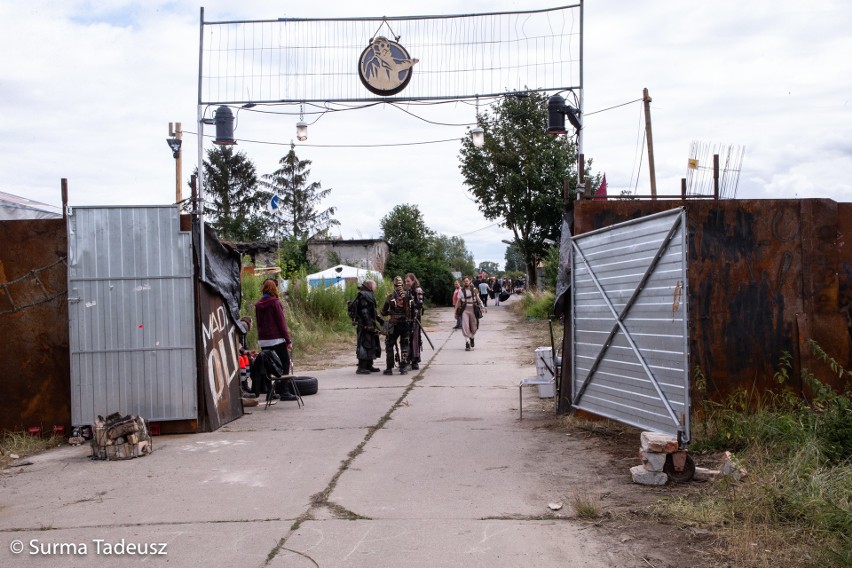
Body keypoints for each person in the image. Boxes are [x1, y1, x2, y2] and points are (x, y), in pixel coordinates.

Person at [254, 278, 297, 401]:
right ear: (274, 289)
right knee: (285, 362)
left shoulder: (258, 305)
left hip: (263, 339)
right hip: (276, 338)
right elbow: (281, 323)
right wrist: (288, 340)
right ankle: (284, 390)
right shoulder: (275, 303)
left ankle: (270, 392)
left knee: (268, 364)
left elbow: (259, 323)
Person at [381, 276, 412, 375]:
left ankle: (389, 368)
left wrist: (390, 312)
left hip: (393, 324)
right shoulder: (408, 296)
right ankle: (403, 368)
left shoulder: (390, 297)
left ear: (394, 285)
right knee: (404, 345)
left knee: (389, 345)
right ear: (402, 285)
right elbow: (414, 309)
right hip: (405, 324)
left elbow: (383, 312)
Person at [354, 279, 383, 374]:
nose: (375, 288)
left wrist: (379, 320)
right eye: (374, 286)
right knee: (364, 344)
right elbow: (364, 311)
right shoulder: (364, 295)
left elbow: (372, 311)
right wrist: (369, 324)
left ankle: (369, 365)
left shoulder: (367, 295)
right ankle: (361, 367)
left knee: (371, 344)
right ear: (370, 286)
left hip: (369, 323)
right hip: (364, 325)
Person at [457, 276, 485, 351]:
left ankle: (472, 337)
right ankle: (467, 342)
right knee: (465, 326)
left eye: (467, 281)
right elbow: (458, 302)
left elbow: (478, 299)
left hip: (473, 309)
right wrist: (455, 312)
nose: (466, 282)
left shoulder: (474, 290)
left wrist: (482, 307)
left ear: (470, 281)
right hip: (465, 310)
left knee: (474, 326)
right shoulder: (461, 291)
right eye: (464, 281)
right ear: (463, 282)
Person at [405, 273, 425, 370]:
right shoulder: (408, 290)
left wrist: (414, 309)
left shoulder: (418, 290)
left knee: (415, 339)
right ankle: (407, 359)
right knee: (408, 339)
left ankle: (415, 360)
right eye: (406, 281)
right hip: (408, 318)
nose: (406, 283)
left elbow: (420, 304)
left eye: (408, 281)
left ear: (413, 280)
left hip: (415, 318)